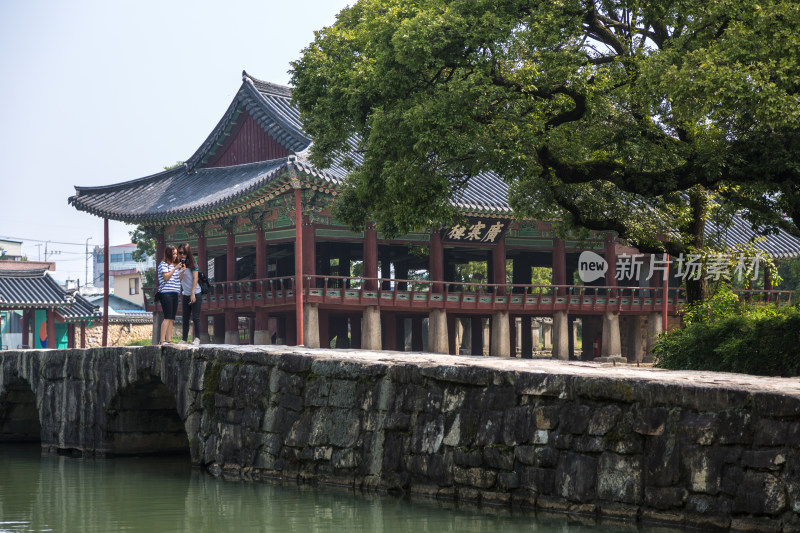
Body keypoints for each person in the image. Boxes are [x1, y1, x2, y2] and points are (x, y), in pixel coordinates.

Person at [158, 245, 184, 345]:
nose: (175, 256)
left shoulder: (175, 265)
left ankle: (169, 340)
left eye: (176, 254)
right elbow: (166, 277)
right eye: (173, 254)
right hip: (166, 293)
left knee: (172, 318)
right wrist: (175, 268)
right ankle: (162, 340)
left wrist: (183, 271)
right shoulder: (163, 264)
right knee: (167, 317)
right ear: (168, 254)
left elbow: (179, 279)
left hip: (175, 293)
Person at [177, 242, 202, 346]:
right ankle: (184, 339)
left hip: (195, 292)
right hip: (186, 293)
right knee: (185, 317)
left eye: (184, 253)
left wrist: (193, 293)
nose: (182, 255)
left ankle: (197, 338)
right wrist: (182, 270)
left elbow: (196, 278)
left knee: (195, 317)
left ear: (188, 253)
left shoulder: (192, 263)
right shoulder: (178, 264)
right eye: (180, 252)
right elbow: (179, 279)